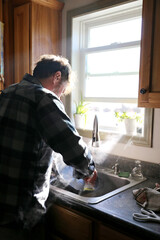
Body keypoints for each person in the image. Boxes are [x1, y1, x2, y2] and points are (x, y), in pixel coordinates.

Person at [0, 55, 97, 239]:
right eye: (62, 91)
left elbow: (27, 140)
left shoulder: (7, 92)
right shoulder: (43, 98)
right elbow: (74, 149)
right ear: (57, 77)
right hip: (20, 211)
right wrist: (89, 169)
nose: (59, 96)